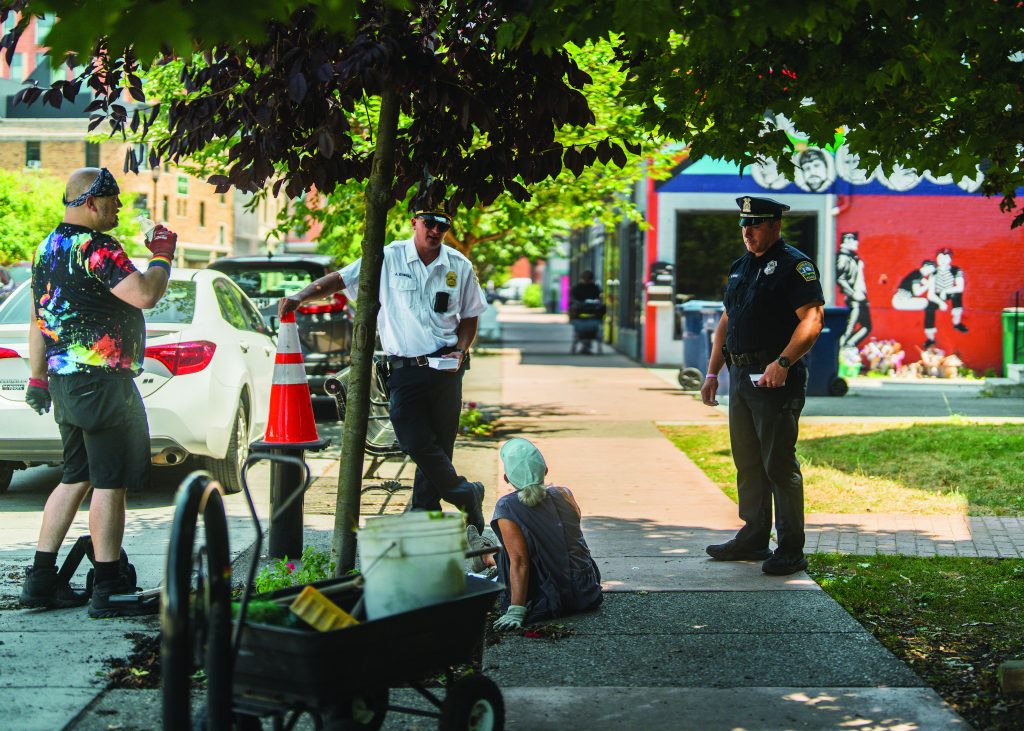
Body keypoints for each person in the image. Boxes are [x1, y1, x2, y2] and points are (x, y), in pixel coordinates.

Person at [20, 167, 178, 617]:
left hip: (66, 383)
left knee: (75, 476)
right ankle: (109, 587)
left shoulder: (46, 248)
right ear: (90, 202)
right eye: (113, 200)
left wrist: (37, 378)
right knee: (111, 482)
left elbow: (38, 321)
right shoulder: (97, 248)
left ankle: (41, 579)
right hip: (103, 383)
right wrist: (162, 255)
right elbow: (146, 294)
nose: (119, 207)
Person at [279, 209, 487, 530]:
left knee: (440, 446)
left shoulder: (458, 265)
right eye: (428, 223)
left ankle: (424, 514)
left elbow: (471, 315)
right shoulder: (389, 258)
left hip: (446, 369)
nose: (435, 230)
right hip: (405, 369)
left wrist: (461, 350)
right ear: (413, 222)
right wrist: (300, 296)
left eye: (442, 226)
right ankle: (465, 495)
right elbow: (341, 279)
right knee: (414, 440)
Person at [700, 196, 824, 576]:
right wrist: (711, 373)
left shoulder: (795, 266)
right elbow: (726, 322)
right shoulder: (740, 268)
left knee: (778, 463)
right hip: (740, 376)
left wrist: (783, 362)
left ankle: (790, 548)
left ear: (774, 225)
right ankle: (754, 537)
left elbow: (813, 319)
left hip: (774, 378)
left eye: (754, 225)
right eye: (743, 225)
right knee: (748, 462)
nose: (747, 232)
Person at [489, 437, 602, 631]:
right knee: (518, 546)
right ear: (546, 470)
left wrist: (516, 609)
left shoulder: (506, 506)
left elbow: (519, 561)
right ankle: (485, 555)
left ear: (506, 478)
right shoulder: (564, 493)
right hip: (587, 593)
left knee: (509, 554)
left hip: (547, 601)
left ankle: (484, 555)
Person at [891, 259, 946, 348]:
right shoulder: (916, 274)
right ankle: (930, 335)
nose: (929, 273)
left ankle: (930, 335)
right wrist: (928, 285)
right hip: (900, 301)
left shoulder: (920, 276)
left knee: (930, 305)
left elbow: (928, 285)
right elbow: (917, 292)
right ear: (925, 266)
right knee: (928, 305)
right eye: (930, 270)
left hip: (902, 300)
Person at [835, 232, 871, 348]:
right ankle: (839, 351)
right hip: (854, 299)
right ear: (847, 241)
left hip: (860, 299)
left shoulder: (852, 257)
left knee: (866, 326)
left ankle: (848, 347)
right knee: (848, 329)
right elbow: (840, 278)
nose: (857, 244)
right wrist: (853, 294)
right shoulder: (843, 258)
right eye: (855, 241)